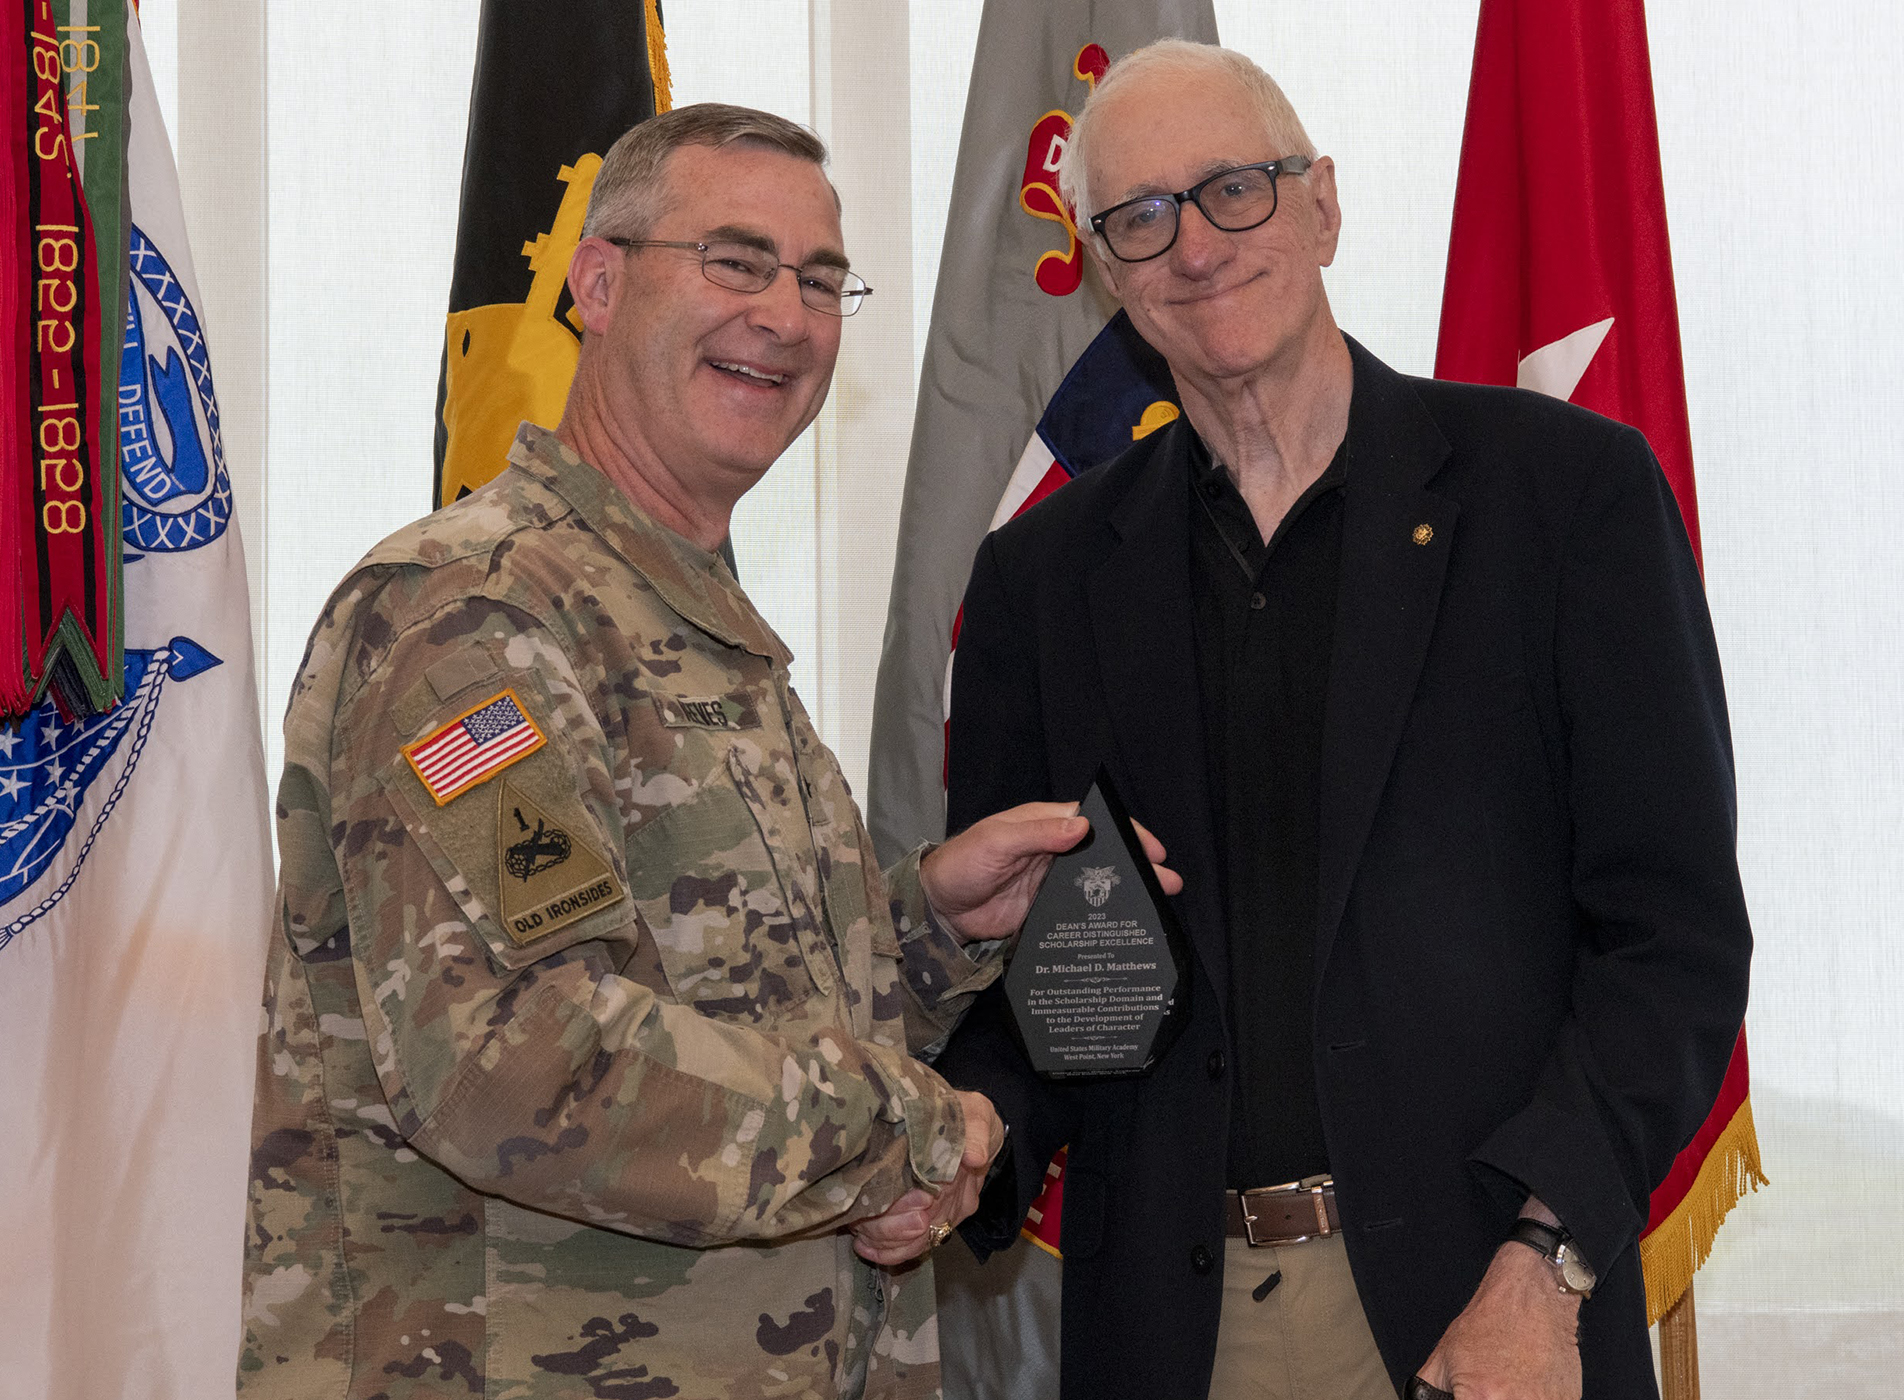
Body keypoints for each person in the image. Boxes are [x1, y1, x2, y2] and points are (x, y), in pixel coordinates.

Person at [238, 103, 1166, 1400]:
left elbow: (726, 994)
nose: (785, 314)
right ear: (599, 283)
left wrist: (929, 927)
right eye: (735, 261)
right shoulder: (475, 614)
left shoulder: (694, 625)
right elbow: (515, 1055)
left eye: (822, 280)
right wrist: (906, 1132)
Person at [936, 40, 1753, 1400]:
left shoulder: (1567, 498)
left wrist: (1543, 1265)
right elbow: (1042, 979)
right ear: (1106, 269)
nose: (1197, 246)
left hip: (1493, 1310)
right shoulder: (1042, 578)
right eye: (1141, 217)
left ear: (1321, 204)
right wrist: (952, 1143)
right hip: (1168, 1333)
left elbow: (1671, 941)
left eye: (1234, 190)